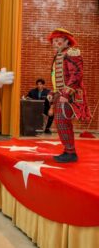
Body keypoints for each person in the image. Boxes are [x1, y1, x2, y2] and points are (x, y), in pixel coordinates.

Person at [46, 28, 91, 163]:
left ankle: (71, 153)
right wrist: (53, 92)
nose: (54, 43)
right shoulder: (59, 55)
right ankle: (68, 150)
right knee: (61, 123)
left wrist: (66, 93)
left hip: (68, 96)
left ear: (67, 41)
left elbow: (77, 75)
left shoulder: (72, 53)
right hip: (60, 94)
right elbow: (58, 78)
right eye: (53, 40)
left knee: (63, 122)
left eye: (58, 40)